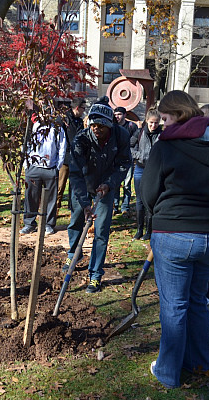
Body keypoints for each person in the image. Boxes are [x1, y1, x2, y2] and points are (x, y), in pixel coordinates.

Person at [141, 90, 209, 389]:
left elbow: (148, 193)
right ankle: (200, 364)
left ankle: (168, 372)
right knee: (196, 300)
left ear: (179, 114)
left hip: (175, 234)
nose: (163, 124)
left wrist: (162, 214)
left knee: (175, 305)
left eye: (166, 117)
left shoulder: (166, 146)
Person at [66, 98, 131, 293]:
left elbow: (124, 164)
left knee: (101, 230)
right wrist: (85, 203)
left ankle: (95, 275)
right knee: (77, 219)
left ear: (109, 125)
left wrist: (110, 184)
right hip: (84, 183)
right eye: (93, 124)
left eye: (100, 126)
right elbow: (75, 173)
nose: (96, 129)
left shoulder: (121, 136)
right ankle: (73, 254)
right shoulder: (81, 139)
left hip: (106, 186)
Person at [20, 115, 66, 236]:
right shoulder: (33, 127)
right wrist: (26, 165)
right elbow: (25, 146)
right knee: (31, 196)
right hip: (33, 168)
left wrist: (57, 166)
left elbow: (62, 146)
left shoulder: (57, 128)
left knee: (51, 198)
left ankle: (48, 224)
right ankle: (29, 223)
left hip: (50, 168)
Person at [132, 108, 162, 240]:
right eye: (151, 123)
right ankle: (139, 229)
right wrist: (138, 155)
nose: (153, 126)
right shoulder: (139, 132)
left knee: (150, 200)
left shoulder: (162, 135)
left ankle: (149, 231)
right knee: (139, 199)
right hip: (140, 168)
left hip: (154, 170)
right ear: (146, 121)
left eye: (156, 123)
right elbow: (129, 147)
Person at [57, 98, 86, 210]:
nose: (84, 111)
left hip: (77, 158)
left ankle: (72, 207)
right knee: (60, 185)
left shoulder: (79, 121)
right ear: (77, 108)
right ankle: (55, 208)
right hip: (65, 158)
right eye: (83, 108)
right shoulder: (64, 120)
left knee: (74, 185)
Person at [113, 106, 138, 214]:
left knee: (127, 184)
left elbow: (136, 142)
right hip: (115, 159)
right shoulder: (113, 126)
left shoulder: (132, 126)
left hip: (128, 159)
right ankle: (114, 206)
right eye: (115, 114)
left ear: (124, 115)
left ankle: (125, 207)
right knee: (115, 183)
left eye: (119, 114)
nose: (117, 117)